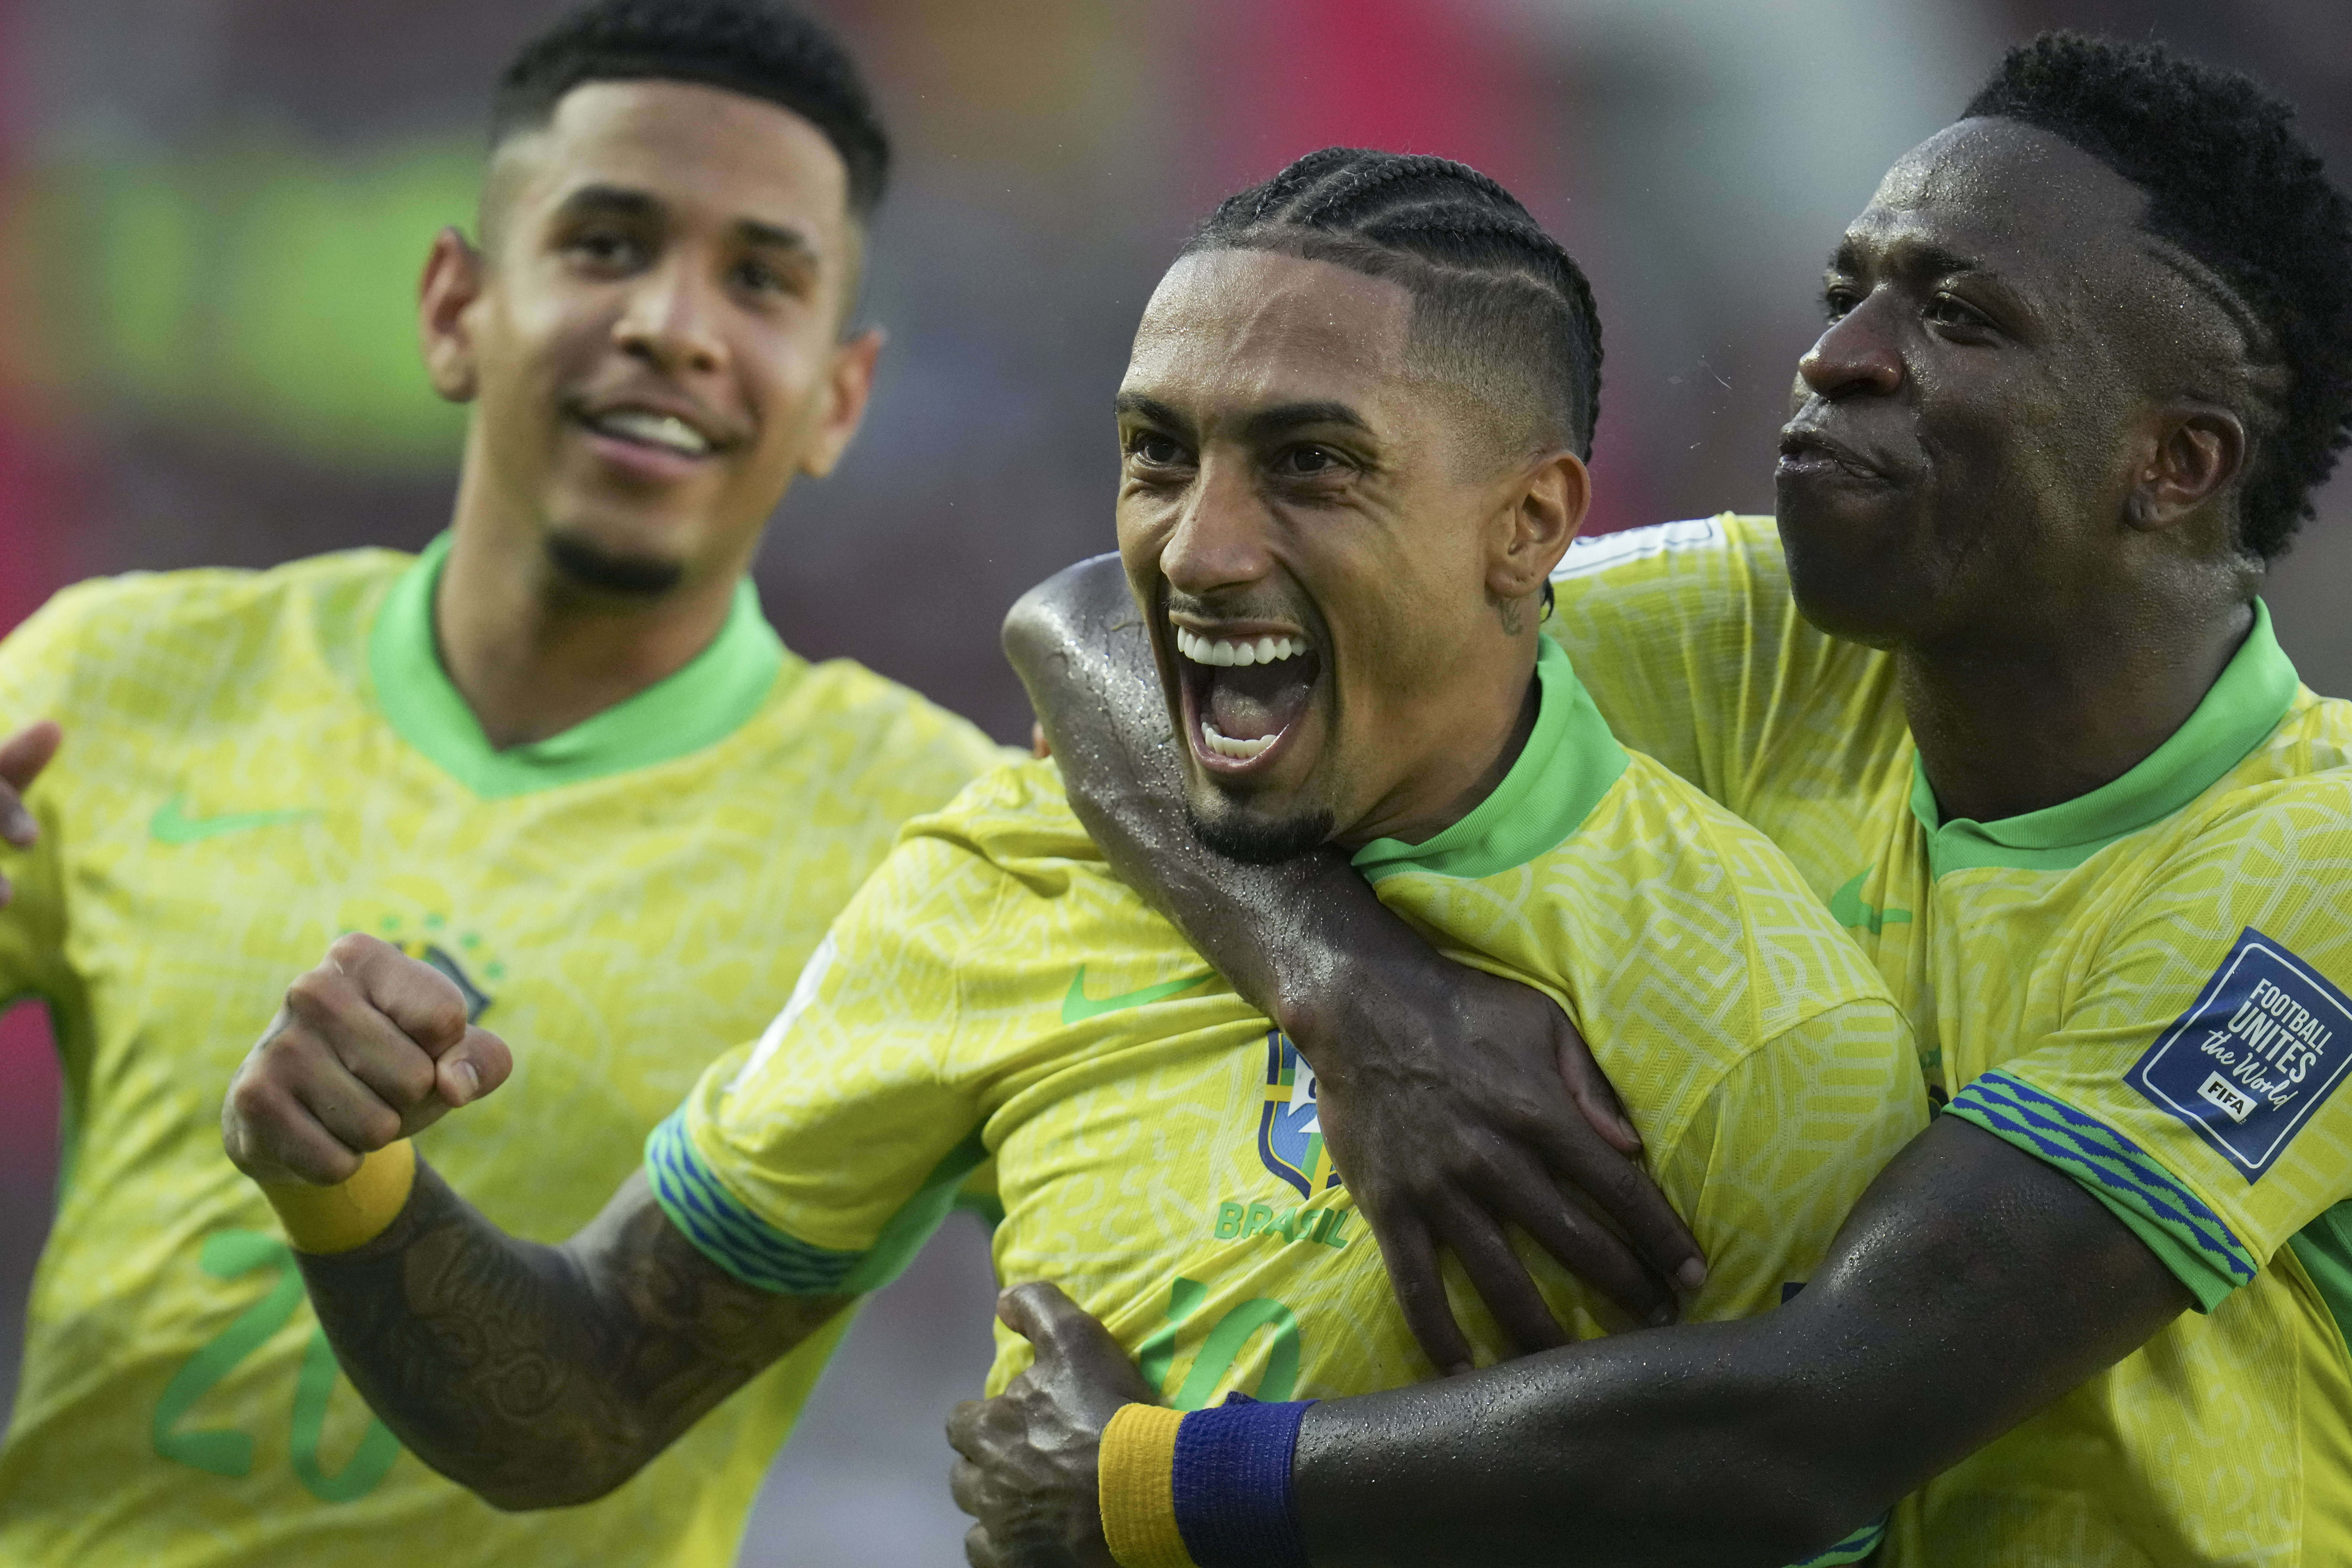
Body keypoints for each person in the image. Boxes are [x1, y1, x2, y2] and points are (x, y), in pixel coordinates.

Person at [215, 149, 1924, 1568]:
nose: (1198, 547)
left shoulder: (1756, 1026)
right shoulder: (1004, 878)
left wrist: (1164, 1502)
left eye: (1313, 466)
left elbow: (1775, 1486)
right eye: (1158, 454)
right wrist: (348, 1187)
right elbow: (582, 1393)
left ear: (1531, 524)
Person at [961, 31, 2352, 1568]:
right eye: (1846, 294)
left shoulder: (2315, 866)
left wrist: (1154, 1489)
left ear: (2175, 463)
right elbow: (1093, 628)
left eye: (1956, 316)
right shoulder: (1755, 631)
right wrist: (1355, 994)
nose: (1839, 357)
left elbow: (1819, 1427)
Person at [0, 4, 1034, 1564]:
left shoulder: (950, 848)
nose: (674, 325)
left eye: (761, 279)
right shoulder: (119, 678)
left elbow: (1209, 1264)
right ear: (454, 309)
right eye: (607, 245)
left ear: (841, 395)